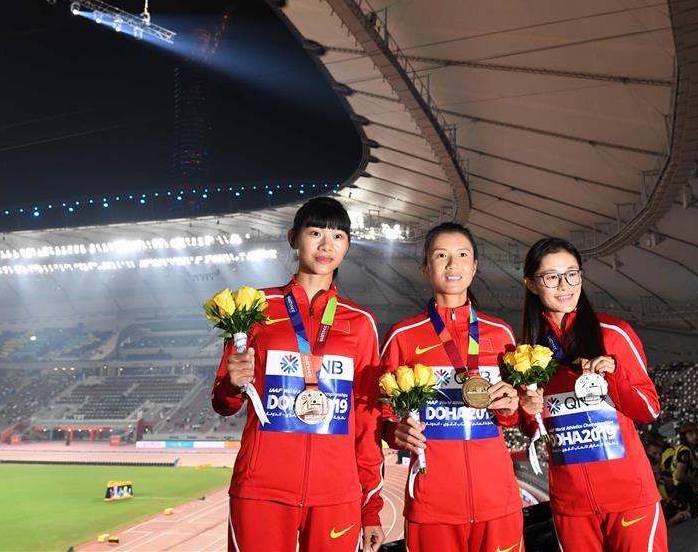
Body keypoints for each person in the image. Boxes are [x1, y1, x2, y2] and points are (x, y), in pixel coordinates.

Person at [212, 197, 385, 552]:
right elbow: (223, 403)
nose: (326, 245)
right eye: (315, 233)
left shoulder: (360, 323)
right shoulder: (254, 309)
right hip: (262, 489)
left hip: (336, 494)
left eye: (338, 236)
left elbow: (366, 421)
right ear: (293, 238)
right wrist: (231, 383)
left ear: (347, 246)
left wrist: (370, 507)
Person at [380, 222, 524, 552]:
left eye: (462, 255)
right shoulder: (403, 336)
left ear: (474, 267)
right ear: (425, 267)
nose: (452, 264)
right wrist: (393, 431)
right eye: (441, 255)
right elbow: (378, 412)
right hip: (433, 504)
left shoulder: (501, 334)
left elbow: (511, 417)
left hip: (497, 500)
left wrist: (511, 408)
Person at [516, 237, 666, 552]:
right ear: (531, 284)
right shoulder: (526, 355)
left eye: (572, 274)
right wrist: (528, 409)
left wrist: (615, 377)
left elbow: (649, 410)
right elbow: (532, 428)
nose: (564, 285)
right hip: (572, 507)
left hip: (629, 497)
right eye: (551, 277)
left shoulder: (614, 334)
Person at [672, 423, 698, 512]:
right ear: (684, 436)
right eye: (691, 434)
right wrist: (696, 481)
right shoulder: (685, 451)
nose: (695, 436)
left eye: (696, 433)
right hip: (685, 490)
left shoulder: (689, 450)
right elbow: (679, 475)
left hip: (688, 490)